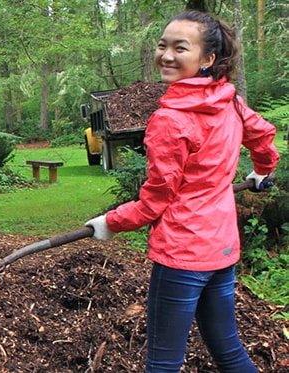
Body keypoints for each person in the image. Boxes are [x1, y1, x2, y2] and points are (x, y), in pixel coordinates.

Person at [84, 10, 279, 373]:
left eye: (180, 48)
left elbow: (158, 198)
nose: (167, 55)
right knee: (229, 351)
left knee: (162, 363)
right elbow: (264, 137)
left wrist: (111, 222)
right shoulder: (230, 102)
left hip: (183, 254)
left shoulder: (169, 120)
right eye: (162, 45)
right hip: (221, 249)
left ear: (207, 59)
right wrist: (262, 170)